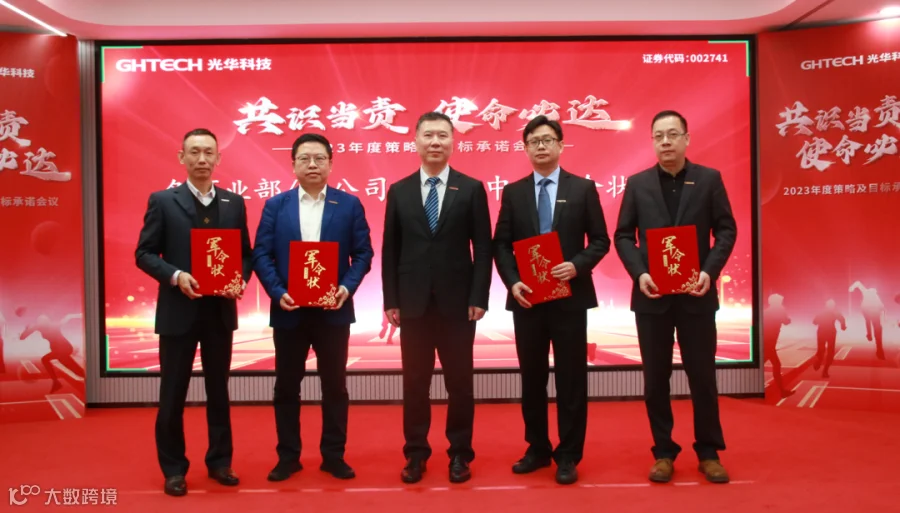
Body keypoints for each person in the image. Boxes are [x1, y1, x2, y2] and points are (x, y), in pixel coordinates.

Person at [613, 110, 737, 484]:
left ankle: (709, 452)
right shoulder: (637, 184)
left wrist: (709, 271)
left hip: (696, 294)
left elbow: (726, 230)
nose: (665, 141)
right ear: (652, 141)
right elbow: (623, 236)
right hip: (652, 297)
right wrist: (640, 273)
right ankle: (664, 452)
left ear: (686, 138)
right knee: (655, 380)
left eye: (672, 134)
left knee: (703, 377)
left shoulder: (709, 179)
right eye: (658, 136)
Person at [492, 115, 610, 485]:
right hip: (528, 300)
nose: (541, 146)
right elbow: (501, 244)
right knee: (532, 378)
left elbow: (601, 240)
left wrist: (577, 265)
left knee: (571, 379)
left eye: (547, 140)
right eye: (534, 141)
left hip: (569, 298)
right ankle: (538, 449)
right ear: (525, 148)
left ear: (560, 145)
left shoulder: (583, 189)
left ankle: (569, 454)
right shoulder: (513, 192)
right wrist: (513, 282)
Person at [135, 128, 253, 497]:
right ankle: (173, 468)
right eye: (194, 152)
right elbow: (144, 253)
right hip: (178, 312)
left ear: (219, 158)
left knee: (219, 391)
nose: (202, 159)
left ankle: (220, 462)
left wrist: (240, 278)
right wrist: (175, 275)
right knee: (173, 393)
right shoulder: (163, 201)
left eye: (208, 153)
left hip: (219, 312)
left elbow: (245, 254)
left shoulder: (234, 203)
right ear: (181, 157)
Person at [252, 133, 374, 482]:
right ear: (293, 164)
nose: (312, 164)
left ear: (331, 164)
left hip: (333, 311)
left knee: (334, 386)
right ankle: (288, 456)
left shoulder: (348, 204)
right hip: (289, 310)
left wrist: (346, 288)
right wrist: (277, 291)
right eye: (304, 158)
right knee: (286, 387)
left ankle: (333, 456)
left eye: (319, 158)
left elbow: (363, 253)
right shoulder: (276, 205)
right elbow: (261, 253)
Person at [382, 111, 492, 484]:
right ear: (415, 141)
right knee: (415, 384)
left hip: (458, 305)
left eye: (442, 135)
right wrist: (391, 300)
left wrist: (479, 296)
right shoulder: (399, 190)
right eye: (428, 135)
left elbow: (483, 248)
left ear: (452, 141)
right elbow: (391, 249)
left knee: (460, 384)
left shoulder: (471, 188)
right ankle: (415, 454)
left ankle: (460, 454)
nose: (435, 142)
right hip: (412, 305)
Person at [763, 294, 793, 398]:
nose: (781, 302)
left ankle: (782, 391)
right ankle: (782, 391)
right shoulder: (779, 310)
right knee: (776, 365)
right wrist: (788, 318)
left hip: (766, 341)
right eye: (780, 301)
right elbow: (786, 321)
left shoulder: (766, 311)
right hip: (770, 342)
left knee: (773, 364)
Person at [812, 299, 846, 378]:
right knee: (830, 352)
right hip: (831, 332)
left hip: (821, 332)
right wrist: (843, 326)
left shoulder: (821, 312)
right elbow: (842, 319)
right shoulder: (835, 312)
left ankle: (818, 362)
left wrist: (820, 321)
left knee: (821, 350)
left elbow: (814, 322)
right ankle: (825, 371)